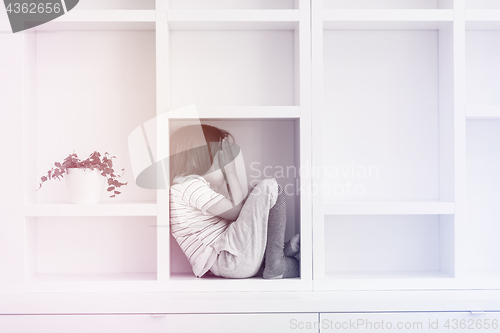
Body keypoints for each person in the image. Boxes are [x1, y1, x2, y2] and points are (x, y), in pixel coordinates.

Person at [169, 124, 300, 279]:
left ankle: (274, 258)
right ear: (199, 158)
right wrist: (231, 172)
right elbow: (238, 212)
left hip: (230, 260)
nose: (226, 164)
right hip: (229, 259)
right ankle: (276, 259)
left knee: (255, 194)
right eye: (222, 158)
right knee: (269, 188)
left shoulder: (186, 187)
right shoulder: (189, 186)